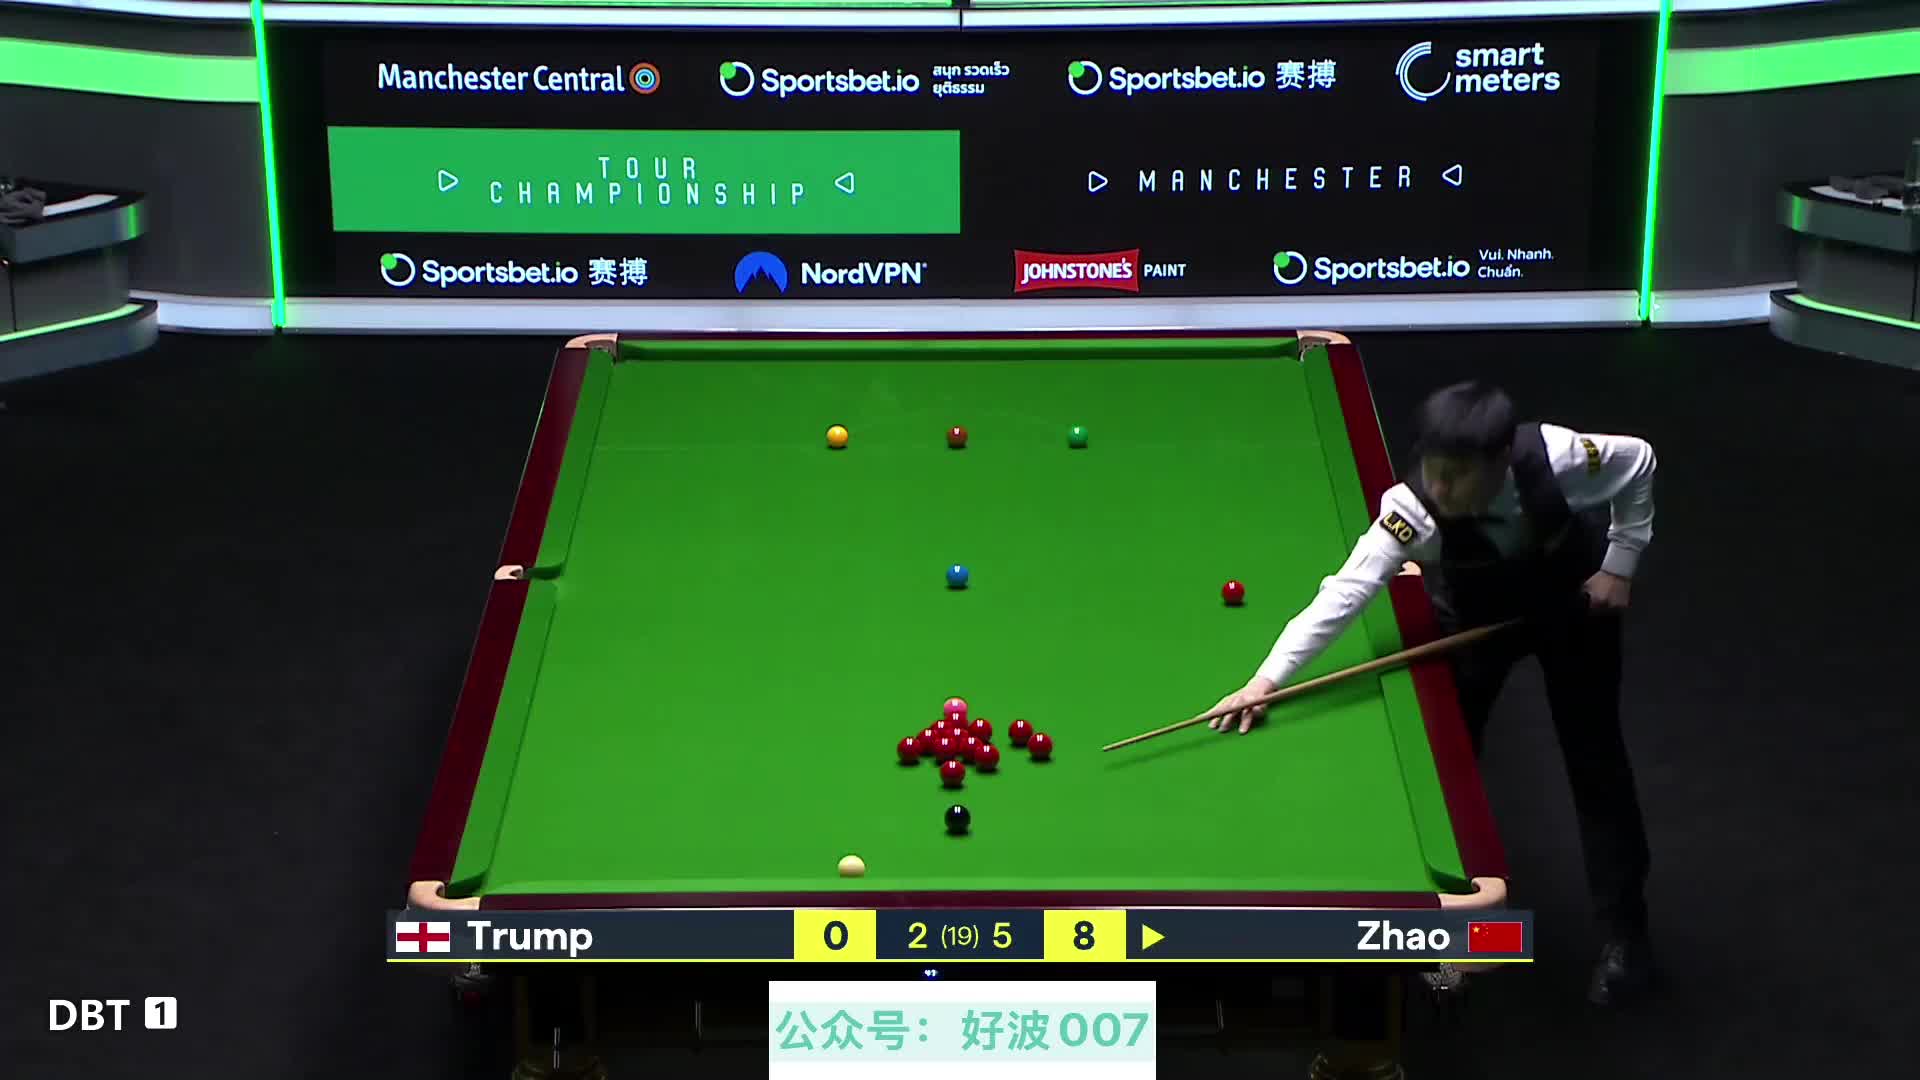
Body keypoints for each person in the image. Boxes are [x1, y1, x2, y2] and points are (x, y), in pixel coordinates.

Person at [1208, 381, 1658, 1006]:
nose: (1439, 487)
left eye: (1456, 475)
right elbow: (1346, 592)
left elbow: (1639, 459)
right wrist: (1266, 679)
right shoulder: (1411, 509)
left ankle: (1627, 938)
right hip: (1475, 618)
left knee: (1598, 767)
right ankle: (1448, 938)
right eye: (1432, 469)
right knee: (1448, 770)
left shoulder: (1557, 459)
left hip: (1572, 610)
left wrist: (1620, 563)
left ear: (1501, 461)